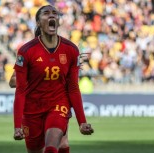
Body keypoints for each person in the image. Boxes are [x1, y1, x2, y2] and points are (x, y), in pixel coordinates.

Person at [13, 5, 94, 153]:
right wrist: (17, 126)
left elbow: (73, 88)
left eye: (54, 13)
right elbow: (20, 90)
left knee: (52, 145)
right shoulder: (26, 51)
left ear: (58, 21)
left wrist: (82, 122)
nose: (51, 16)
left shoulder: (71, 49)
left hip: (58, 103)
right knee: (38, 149)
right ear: (38, 22)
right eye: (46, 13)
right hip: (32, 109)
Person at [9, 71, 70, 153]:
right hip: (32, 108)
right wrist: (35, 80)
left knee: (62, 143)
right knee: (35, 149)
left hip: (56, 104)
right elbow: (12, 82)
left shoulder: (63, 59)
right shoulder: (28, 58)